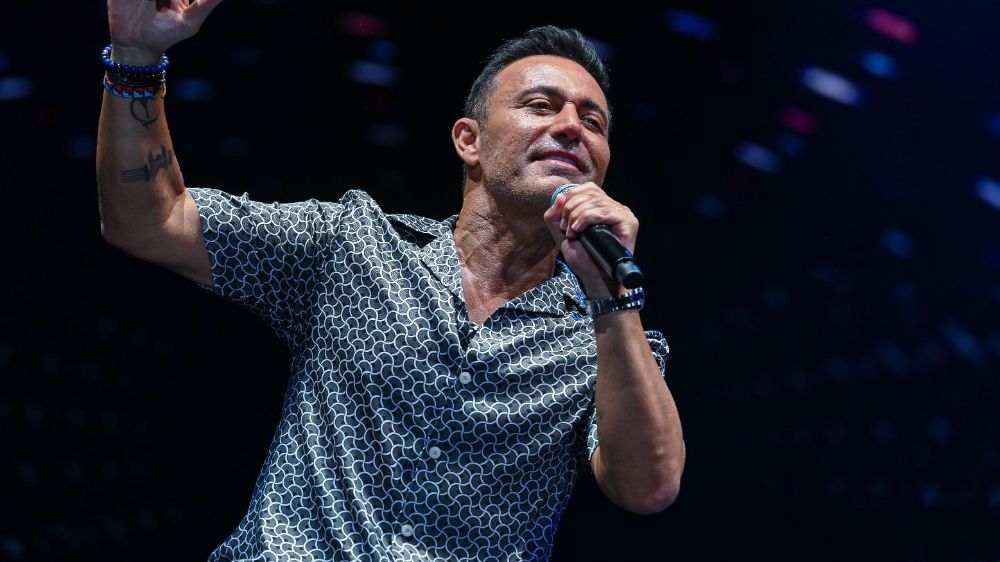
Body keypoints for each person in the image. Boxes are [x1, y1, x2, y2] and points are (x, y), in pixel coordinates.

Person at [97, 1, 685, 560]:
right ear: (470, 141)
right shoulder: (353, 245)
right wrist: (136, 58)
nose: (572, 127)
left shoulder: (603, 342)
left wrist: (614, 302)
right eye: (541, 105)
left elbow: (648, 488)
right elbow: (152, 222)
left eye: (593, 121)